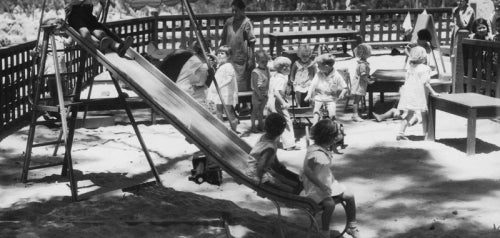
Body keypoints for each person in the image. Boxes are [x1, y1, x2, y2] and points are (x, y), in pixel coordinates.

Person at [300, 119, 360, 238]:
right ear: (327, 138)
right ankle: (325, 232)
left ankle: (352, 226)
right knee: (329, 204)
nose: (337, 137)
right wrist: (321, 186)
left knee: (349, 195)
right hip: (315, 186)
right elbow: (307, 171)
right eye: (334, 135)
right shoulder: (315, 153)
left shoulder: (324, 147)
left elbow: (324, 169)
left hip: (327, 182)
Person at [245, 113, 302, 194]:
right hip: (256, 171)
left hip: (257, 165)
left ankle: (297, 186)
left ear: (265, 127)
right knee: (278, 183)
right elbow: (261, 164)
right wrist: (257, 178)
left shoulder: (264, 136)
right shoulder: (270, 147)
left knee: (280, 177)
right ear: (281, 131)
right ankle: (294, 192)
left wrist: (277, 164)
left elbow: (268, 156)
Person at [396, 46, 440, 141]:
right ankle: (426, 134)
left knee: (409, 114)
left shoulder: (410, 68)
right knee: (424, 114)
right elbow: (426, 82)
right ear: (423, 57)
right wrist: (434, 92)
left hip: (409, 94)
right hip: (420, 95)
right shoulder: (425, 68)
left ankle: (400, 132)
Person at [65, 0, 133, 57]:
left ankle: (117, 46)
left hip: (87, 13)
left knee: (100, 33)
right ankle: (97, 45)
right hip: (75, 14)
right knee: (85, 33)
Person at [220, 0, 256, 93]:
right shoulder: (229, 22)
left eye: (236, 10)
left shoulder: (246, 23)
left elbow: (251, 42)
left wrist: (251, 59)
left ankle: (243, 104)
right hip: (229, 57)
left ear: (243, 10)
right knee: (229, 81)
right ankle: (231, 105)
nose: (234, 13)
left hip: (241, 58)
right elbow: (223, 39)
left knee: (241, 83)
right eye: (232, 10)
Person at [267, 56, 300, 151]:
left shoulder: (275, 76)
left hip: (271, 102)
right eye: (288, 67)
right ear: (284, 68)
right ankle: (289, 145)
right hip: (277, 103)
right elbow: (276, 92)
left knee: (275, 123)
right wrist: (283, 103)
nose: (290, 69)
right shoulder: (281, 79)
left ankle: (273, 142)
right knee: (286, 122)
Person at [304, 54, 348, 125]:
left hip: (330, 98)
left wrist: (342, 93)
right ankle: (314, 125)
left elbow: (345, 87)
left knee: (332, 113)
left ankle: (333, 125)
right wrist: (309, 95)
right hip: (319, 96)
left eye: (319, 66)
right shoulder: (319, 74)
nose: (318, 67)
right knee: (316, 110)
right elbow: (313, 85)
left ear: (326, 67)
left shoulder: (336, 76)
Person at [208, 45, 239, 132]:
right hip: (220, 92)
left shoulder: (229, 66)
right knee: (218, 110)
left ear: (228, 56)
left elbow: (229, 79)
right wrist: (213, 56)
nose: (219, 55)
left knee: (228, 110)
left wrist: (220, 86)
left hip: (226, 92)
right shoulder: (221, 64)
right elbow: (217, 61)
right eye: (219, 53)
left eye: (222, 53)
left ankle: (234, 129)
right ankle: (220, 128)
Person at [174, 41, 211, 107]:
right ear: (206, 52)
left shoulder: (193, 58)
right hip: (188, 91)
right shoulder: (201, 64)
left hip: (181, 88)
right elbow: (200, 83)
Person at [350, 43, 374, 122]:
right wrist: (368, 81)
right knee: (357, 99)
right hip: (359, 84)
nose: (370, 53)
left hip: (360, 83)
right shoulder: (363, 64)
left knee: (358, 99)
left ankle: (357, 113)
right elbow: (363, 75)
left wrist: (369, 76)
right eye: (369, 52)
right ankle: (355, 114)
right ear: (365, 53)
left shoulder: (363, 62)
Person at [250, 50, 270, 133]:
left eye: (266, 61)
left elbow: (268, 80)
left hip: (265, 92)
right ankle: (253, 126)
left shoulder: (267, 69)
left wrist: (267, 92)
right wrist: (259, 94)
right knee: (255, 110)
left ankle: (260, 125)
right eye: (262, 62)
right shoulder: (255, 71)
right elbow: (254, 85)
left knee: (261, 110)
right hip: (257, 93)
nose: (265, 63)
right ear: (257, 61)